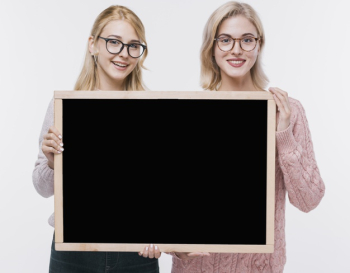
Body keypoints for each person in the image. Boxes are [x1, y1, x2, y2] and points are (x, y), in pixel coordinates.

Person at [167, 2, 325, 273]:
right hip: (196, 267)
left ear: (259, 45)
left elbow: (308, 200)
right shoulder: (188, 112)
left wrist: (283, 135)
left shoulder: (287, 110)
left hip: (259, 267)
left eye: (247, 40)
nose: (236, 49)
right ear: (212, 47)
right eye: (225, 40)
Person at [32, 5, 161, 273]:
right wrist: (52, 161)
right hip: (73, 251)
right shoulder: (64, 108)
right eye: (114, 42)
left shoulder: (152, 110)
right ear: (93, 45)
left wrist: (160, 233)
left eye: (133, 46)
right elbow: (42, 188)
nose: (123, 54)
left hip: (136, 253)